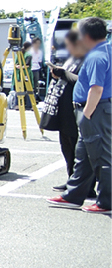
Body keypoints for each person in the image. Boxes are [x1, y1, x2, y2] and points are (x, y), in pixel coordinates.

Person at [50, 17, 110, 213]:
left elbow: (96, 88)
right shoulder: (105, 50)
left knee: (101, 157)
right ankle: (73, 195)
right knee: (83, 156)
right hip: (97, 109)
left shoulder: (96, 56)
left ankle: (106, 202)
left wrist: (87, 113)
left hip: (95, 110)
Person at [45, 31, 83, 183]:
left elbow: (81, 81)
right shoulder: (72, 59)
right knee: (66, 147)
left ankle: (79, 184)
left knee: (76, 149)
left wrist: (63, 73)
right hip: (64, 110)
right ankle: (70, 180)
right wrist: (57, 73)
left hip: (76, 110)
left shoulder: (88, 59)